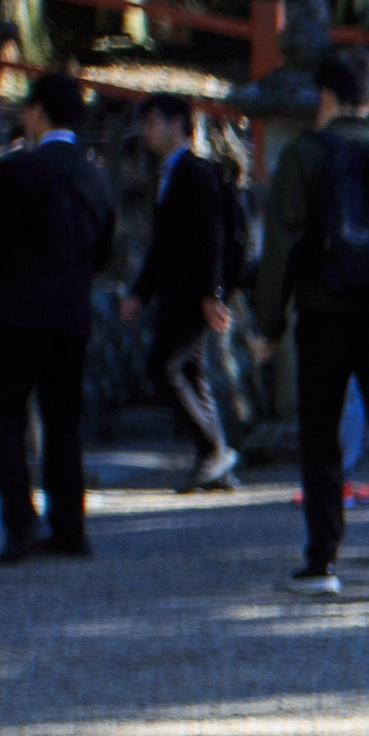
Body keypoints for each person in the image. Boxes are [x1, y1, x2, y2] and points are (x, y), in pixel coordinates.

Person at [252, 42, 369, 601]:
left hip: (324, 311)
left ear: (325, 97)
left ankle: (323, 560)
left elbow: (281, 243)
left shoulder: (305, 156)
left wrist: (269, 324)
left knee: (322, 436)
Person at [0, 73, 121, 564]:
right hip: (72, 310)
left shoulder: (18, 171)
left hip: (21, 308)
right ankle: (70, 526)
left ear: (37, 112)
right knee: (64, 420)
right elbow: (103, 249)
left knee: (7, 413)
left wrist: (2, 288)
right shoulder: (96, 174)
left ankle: (20, 521)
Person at [130, 93, 248, 490]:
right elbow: (162, 245)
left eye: (153, 122)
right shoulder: (171, 172)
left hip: (193, 292)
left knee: (163, 367)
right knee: (192, 373)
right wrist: (141, 292)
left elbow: (211, 236)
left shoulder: (195, 172)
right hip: (181, 290)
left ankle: (213, 449)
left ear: (178, 123)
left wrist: (212, 292)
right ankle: (216, 467)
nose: (147, 131)